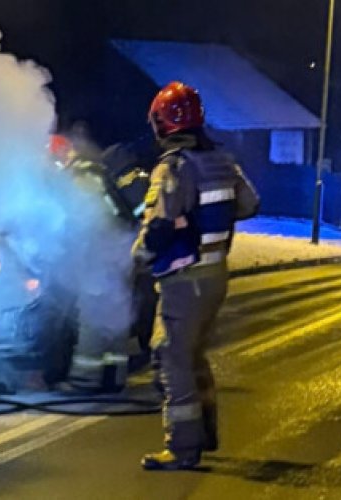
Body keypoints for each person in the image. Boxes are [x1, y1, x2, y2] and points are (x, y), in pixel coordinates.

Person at [132, 82, 259, 470]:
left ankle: (183, 448)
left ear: (162, 122)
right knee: (193, 354)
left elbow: (159, 226)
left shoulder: (174, 167)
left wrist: (137, 257)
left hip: (184, 279)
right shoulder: (223, 160)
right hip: (216, 274)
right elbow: (250, 204)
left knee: (172, 356)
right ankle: (205, 433)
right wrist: (208, 221)